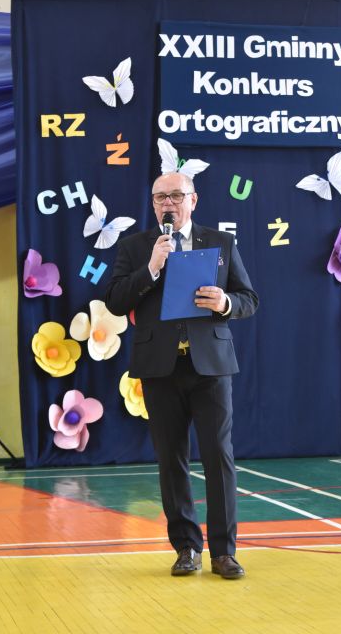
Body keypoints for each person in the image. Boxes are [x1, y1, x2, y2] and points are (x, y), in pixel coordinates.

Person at [104, 171, 258, 579]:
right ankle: (186, 547)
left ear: (193, 200)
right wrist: (151, 269)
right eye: (160, 198)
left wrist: (225, 302)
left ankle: (224, 552)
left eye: (175, 195)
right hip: (160, 367)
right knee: (171, 459)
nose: (167, 204)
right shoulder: (136, 247)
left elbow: (248, 298)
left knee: (218, 456)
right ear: (153, 204)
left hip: (210, 366)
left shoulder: (220, 243)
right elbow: (115, 301)